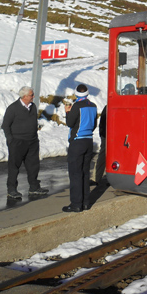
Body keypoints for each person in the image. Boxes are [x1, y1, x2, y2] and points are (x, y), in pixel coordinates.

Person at [1, 86, 49, 199]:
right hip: (17, 142)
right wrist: (11, 140)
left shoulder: (33, 107)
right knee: (14, 166)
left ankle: (34, 187)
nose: (33, 96)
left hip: (32, 141)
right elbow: (5, 125)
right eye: (31, 95)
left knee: (33, 165)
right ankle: (11, 189)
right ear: (24, 96)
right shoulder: (13, 108)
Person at [63, 84, 98, 212]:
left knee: (75, 173)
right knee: (84, 172)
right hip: (89, 140)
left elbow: (70, 123)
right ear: (87, 93)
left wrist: (68, 112)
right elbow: (94, 124)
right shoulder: (93, 106)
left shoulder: (76, 106)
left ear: (76, 93)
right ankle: (85, 202)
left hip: (78, 141)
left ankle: (76, 203)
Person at [91, 105, 107, 185]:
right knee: (102, 155)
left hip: (106, 134)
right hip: (107, 135)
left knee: (102, 156)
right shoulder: (108, 107)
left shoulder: (108, 106)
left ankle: (96, 178)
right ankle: (96, 178)